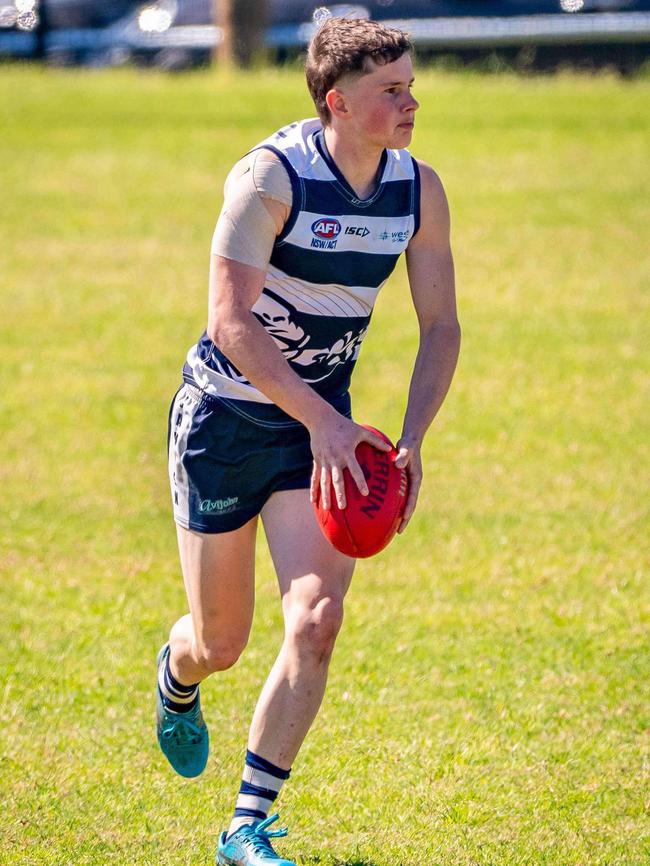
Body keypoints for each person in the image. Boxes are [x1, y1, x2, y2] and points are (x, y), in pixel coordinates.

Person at [157, 15, 460, 866]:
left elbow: (440, 326)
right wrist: (325, 420)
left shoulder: (416, 190)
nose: (411, 104)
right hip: (226, 418)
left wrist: (408, 439)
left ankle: (245, 825)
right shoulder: (270, 177)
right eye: (390, 92)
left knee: (317, 618)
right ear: (336, 102)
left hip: (318, 436)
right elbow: (231, 322)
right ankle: (177, 675)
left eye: (411, 85)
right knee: (221, 641)